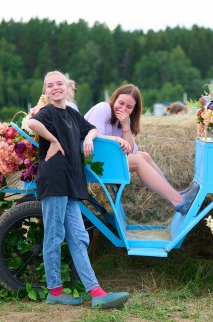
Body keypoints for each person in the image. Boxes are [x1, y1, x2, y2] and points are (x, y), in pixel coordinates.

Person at [28, 70, 129, 308]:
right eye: (50, 85)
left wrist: (89, 138)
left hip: (72, 181)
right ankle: (55, 290)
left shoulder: (72, 114)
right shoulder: (48, 113)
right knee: (54, 235)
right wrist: (53, 140)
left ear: (67, 87)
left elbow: (91, 128)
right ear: (46, 91)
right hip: (54, 179)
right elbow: (32, 122)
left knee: (79, 237)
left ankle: (96, 293)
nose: (55, 88)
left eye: (59, 83)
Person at [84, 84, 199, 214]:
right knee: (138, 161)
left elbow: (130, 151)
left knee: (144, 156)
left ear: (134, 109)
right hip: (90, 161)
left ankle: (173, 195)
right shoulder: (103, 108)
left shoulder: (123, 121)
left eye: (129, 107)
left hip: (105, 159)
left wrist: (125, 125)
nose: (122, 109)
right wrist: (116, 139)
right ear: (114, 99)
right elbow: (94, 137)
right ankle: (178, 201)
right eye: (121, 103)